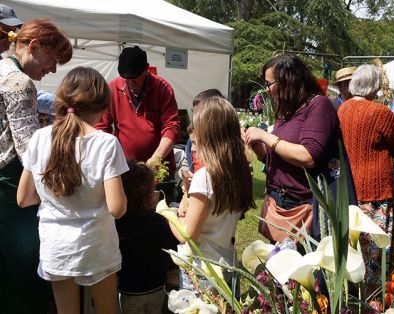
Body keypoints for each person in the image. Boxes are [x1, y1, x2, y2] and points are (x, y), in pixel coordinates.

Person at [17, 66, 128, 314]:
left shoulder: (39, 138)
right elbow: (117, 208)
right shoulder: (106, 143)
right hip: (96, 246)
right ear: (102, 107)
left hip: (56, 247)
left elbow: (24, 198)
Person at [0, 18, 72, 313]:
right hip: (10, 185)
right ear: (33, 47)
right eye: (53, 61)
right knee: (22, 264)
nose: (53, 70)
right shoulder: (19, 82)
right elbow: (29, 150)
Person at [244, 54, 339, 243]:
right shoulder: (287, 110)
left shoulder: (319, 106)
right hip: (278, 202)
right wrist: (256, 144)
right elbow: (275, 158)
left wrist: (265, 136)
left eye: (269, 83)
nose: (267, 90)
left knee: (302, 268)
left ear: (288, 80)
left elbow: (308, 156)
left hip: (304, 206)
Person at [338, 64, 394, 295]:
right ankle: (374, 298)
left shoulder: (342, 110)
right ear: (375, 87)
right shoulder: (380, 113)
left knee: (354, 248)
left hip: (351, 190)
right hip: (377, 190)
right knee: (378, 250)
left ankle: (351, 294)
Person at [169, 97, 255, 292]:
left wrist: (168, 214)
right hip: (227, 265)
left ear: (208, 135)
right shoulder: (240, 171)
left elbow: (187, 235)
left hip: (202, 270)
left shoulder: (204, 177)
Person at [96, 45, 181, 177]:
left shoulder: (162, 88)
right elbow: (102, 127)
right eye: (126, 77)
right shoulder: (112, 89)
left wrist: (156, 159)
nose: (130, 82)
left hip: (159, 167)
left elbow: (172, 127)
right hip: (124, 167)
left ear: (146, 69)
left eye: (135, 77)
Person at [117, 160, 173, 314]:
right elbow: (167, 250)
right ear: (148, 196)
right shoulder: (160, 221)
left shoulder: (117, 225)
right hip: (156, 288)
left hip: (129, 291)